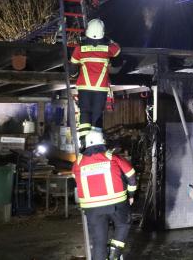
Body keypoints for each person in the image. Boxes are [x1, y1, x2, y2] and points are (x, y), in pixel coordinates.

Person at [73, 131, 137, 260]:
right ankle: (114, 253)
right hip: (116, 203)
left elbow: (76, 179)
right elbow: (131, 175)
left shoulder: (77, 163)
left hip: (92, 208)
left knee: (99, 242)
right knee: (123, 225)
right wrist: (131, 194)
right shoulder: (112, 157)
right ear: (103, 142)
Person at [70, 19, 120, 142]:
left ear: (87, 32)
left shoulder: (79, 49)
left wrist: (74, 74)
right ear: (102, 33)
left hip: (84, 87)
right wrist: (109, 40)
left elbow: (72, 70)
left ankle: (83, 140)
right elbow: (117, 49)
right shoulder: (107, 49)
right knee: (97, 114)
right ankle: (95, 141)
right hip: (100, 88)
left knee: (85, 112)